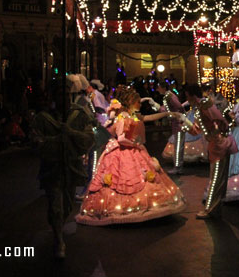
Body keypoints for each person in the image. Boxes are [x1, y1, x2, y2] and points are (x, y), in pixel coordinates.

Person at [75, 86, 186, 226]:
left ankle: (137, 206)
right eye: (137, 101)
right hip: (123, 151)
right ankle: (125, 208)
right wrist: (134, 144)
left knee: (141, 177)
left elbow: (148, 117)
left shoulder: (132, 115)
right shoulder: (123, 117)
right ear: (129, 102)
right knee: (124, 180)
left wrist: (169, 114)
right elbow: (121, 139)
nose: (140, 104)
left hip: (133, 149)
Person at [30, 81, 95, 259]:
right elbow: (35, 142)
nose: (64, 98)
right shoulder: (43, 118)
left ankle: (58, 226)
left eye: (66, 95)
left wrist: (71, 133)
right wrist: (56, 141)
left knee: (67, 206)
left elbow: (89, 138)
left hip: (71, 167)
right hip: (53, 168)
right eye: (60, 94)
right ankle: (59, 240)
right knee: (56, 205)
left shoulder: (79, 115)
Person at [184, 84, 238, 219]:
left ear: (191, 95)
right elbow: (197, 129)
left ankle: (210, 210)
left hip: (219, 145)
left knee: (216, 179)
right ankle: (215, 208)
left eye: (187, 96)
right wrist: (185, 124)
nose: (187, 99)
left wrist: (217, 133)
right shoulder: (200, 108)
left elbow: (220, 120)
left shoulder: (205, 104)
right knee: (217, 178)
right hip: (215, 145)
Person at [155, 82, 186, 174]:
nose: (157, 90)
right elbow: (166, 109)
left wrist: (178, 116)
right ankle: (177, 166)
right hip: (176, 123)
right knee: (178, 146)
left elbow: (179, 106)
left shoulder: (169, 96)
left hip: (178, 124)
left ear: (162, 87)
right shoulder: (167, 96)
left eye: (158, 87)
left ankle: (178, 167)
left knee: (178, 147)